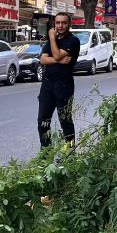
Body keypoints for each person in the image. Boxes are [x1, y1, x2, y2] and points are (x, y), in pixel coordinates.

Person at [38, 12, 81, 148]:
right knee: (42, 121)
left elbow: (56, 55)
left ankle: (69, 152)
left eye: (64, 23)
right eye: (57, 23)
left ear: (69, 24)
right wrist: (60, 60)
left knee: (65, 121)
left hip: (64, 85)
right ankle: (46, 152)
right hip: (47, 84)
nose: (60, 25)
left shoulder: (73, 40)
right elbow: (43, 59)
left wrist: (52, 38)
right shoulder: (51, 40)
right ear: (54, 24)